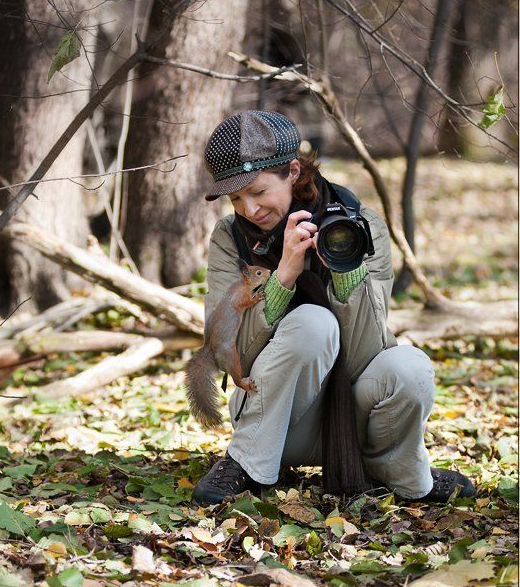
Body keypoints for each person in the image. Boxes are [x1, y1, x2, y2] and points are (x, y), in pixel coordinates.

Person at [191, 109, 475, 506]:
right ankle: (247, 464)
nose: (249, 211)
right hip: (277, 423)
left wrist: (344, 269)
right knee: (312, 323)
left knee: (410, 366)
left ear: (292, 171)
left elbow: (370, 350)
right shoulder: (229, 238)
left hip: (355, 419)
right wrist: (283, 277)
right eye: (236, 198)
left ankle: (402, 473)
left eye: (258, 192)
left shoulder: (360, 226)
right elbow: (229, 350)